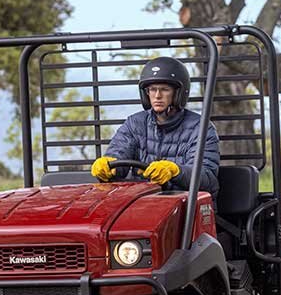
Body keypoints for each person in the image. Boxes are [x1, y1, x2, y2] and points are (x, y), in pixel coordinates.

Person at [90, 56, 220, 197]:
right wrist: (108, 165)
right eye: (152, 90)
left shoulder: (200, 128)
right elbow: (119, 154)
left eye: (164, 89)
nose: (157, 95)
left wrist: (176, 171)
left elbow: (207, 178)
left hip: (188, 207)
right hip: (146, 204)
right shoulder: (134, 124)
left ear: (178, 93)